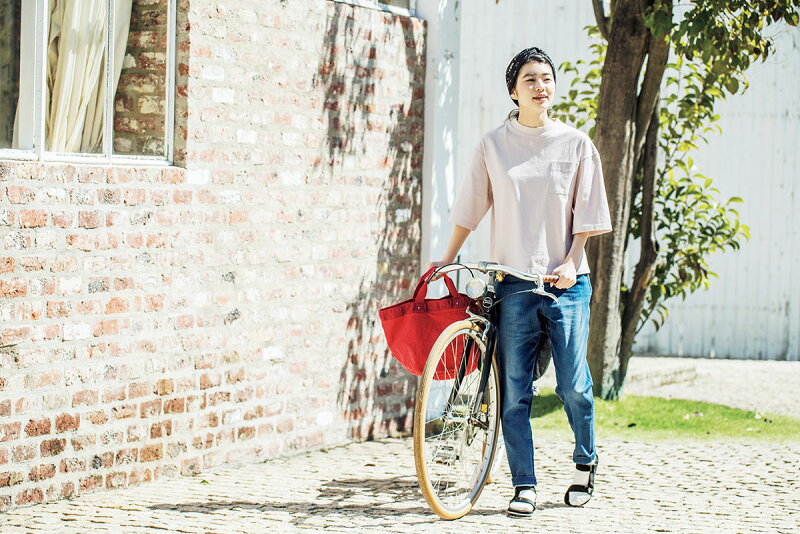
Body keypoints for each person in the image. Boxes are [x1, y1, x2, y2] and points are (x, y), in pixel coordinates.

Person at [428, 47, 612, 517]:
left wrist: (573, 259)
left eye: (546, 78)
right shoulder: (493, 145)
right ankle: (523, 484)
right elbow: (470, 206)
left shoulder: (575, 144)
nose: (540, 86)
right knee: (514, 390)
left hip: (566, 283)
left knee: (571, 385)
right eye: (529, 79)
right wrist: (444, 260)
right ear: (513, 90)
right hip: (512, 282)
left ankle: (585, 463)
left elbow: (589, 213)